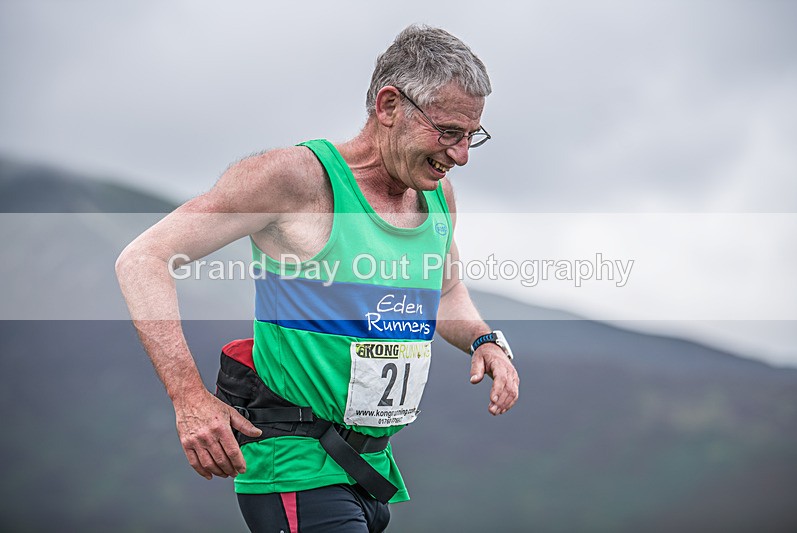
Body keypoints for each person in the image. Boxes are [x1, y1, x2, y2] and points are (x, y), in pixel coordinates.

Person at [116, 24, 519, 533]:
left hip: (371, 471)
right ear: (390, 106)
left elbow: (445, 290)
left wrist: (485, 341)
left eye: (471, 137)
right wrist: (189, 398)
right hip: (295, 467)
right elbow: (143, 259)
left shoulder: (438, 196)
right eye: (448, 133)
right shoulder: (295, 180)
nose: (460, 156)